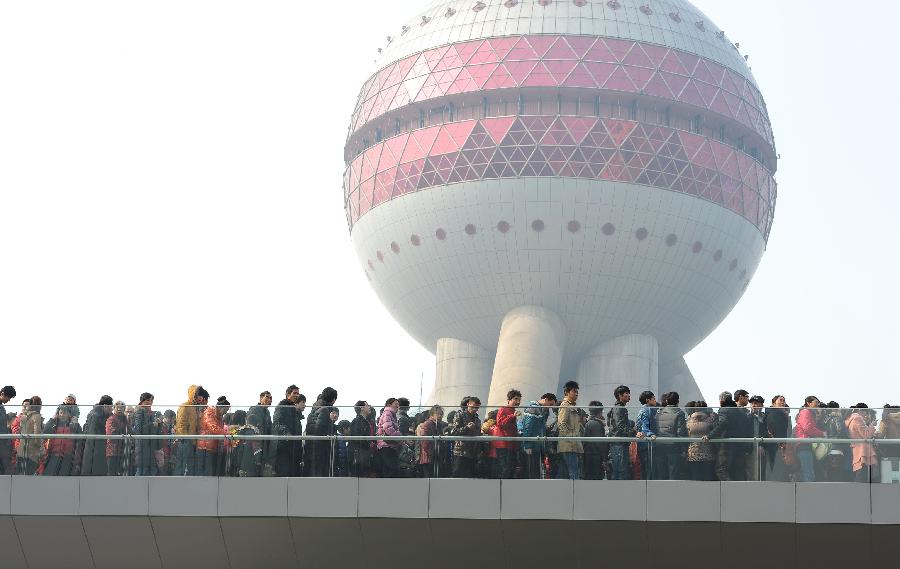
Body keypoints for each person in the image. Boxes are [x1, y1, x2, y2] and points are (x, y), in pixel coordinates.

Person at [521, 393, 557, 479]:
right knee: (532, 471)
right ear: (546, 399)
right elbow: (527, 427)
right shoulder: (533, 408)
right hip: (532, 446)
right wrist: (528, 445)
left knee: (536, 471)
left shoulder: (539, 410)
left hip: (537, 445)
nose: (550, 407)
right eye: (550, 404)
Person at [175, 385, 208, 476]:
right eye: (198, 395)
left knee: (190, 466)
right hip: (185, 441)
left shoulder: (194, 407)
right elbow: (181, 425)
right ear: (193, 395)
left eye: (201, 395)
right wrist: (186, 439)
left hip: (192, 441)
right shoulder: (185, 406)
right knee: (182, 466)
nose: (200, 397)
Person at [305, 387, 338, 477]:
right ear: (333, 399)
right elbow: (319, 430)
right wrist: (331, 422)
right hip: (319, 450)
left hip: (311, 448)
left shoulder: (315, 409)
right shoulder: (325, 410)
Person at [42, 404, 82, 476]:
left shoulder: (74, 425)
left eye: (64, 413)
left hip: (68, 458)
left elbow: (80, 438)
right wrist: (52, 419)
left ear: (69, 415)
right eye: (60, 413)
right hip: (53, 456)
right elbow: (45, 432)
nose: (62, 415)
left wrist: (75, 423)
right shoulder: (54, 424)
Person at [655, 392, 687, 480]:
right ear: (678, 401)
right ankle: (671, 492)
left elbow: (655, 428)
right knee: (673, 473)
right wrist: (684, 448)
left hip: (659, 445)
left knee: (662, 473)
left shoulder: (659, 412)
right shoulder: (679, 413)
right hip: (674, 446)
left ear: (666, 400)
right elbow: (680, 432)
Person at [273, 385, 305, 477]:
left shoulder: (295, 409)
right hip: (284, 446)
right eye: (294, 393)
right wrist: (287, 433)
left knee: (294, 473)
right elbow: (277, 423)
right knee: (284, 473)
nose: (297, 395)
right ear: (288, 394)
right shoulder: (282, 406)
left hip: (295, 447)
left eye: (298, 393)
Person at [556, 381, 583, 480]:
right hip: (569, 444)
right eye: (574, 391)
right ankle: (576, 493)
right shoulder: (565, 405)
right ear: (567, 392)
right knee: (574, 472)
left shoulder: (572, 406)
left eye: (577, 392)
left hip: (570, 444)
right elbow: (561, 423)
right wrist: (570, 437)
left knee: (563, 473)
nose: (576, 394)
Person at [607, 385, 635, 480]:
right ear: (620, 395)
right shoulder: (620, 408)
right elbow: (620, 426)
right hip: (619, 442)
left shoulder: (615, 408)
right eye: (626, 393)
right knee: (621, 470)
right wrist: (633, 432)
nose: (629, 395)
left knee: (617, 469)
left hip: (617, 442)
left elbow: (610, 423)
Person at [450, 396, 482, 478]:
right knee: (458, 475)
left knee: (470, 477)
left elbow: (478, 435)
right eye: (473, 406)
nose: (475, 409)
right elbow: (454, 432)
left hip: (473, 453)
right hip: (461, 451)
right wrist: (467, 427)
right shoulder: (460, 415)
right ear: (468, 404)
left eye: (477, 407)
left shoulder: (477, 419)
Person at [845, 404, 879, 483]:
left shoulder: (850, 419)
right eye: (865, 412)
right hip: (862, 450)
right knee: (863, 474)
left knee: (860, 473)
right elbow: (866, 435)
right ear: (860, 410)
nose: (866, 415)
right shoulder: (858, 418)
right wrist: (872, 425)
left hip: (857, 448)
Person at [81, 396, 113, 476]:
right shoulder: (96, 415)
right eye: (111, 407)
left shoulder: (98, 414)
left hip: (98, 446)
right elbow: (92, 432)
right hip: (95, 446)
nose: (112, 409)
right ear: (105, 406)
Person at [795, 396, 825, 482]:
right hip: (804, 444)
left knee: (807, 471)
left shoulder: (811, 413)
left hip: (807, 444)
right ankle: (805, 493)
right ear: (809, 403)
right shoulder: (806, 411)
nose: (818, 405)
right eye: (816, 402)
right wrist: (822, 433)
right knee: (808, 473)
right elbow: (807, 428)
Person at [197, 396, 229, 476]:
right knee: (208, 472)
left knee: (212, 472)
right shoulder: (210, 412)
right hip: (205, 447)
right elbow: (213, 428)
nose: (226, 412)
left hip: (212, 446)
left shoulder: (218, 415)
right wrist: (227, 433)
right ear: (220, 407)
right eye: (225, 410)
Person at [686, 401, 717, 481]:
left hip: (693, 453)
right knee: (708, 477)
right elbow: (715, 432)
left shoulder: (688, 421)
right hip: (708, 453)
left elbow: (686, 434)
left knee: (695, 477)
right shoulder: (711, 420)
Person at [765, 395, 793, 481]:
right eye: (780, 400)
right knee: (776, 468)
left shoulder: (783, 415)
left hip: (782, 445)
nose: (782, 402)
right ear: (773, 403)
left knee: (781, 468)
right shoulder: (773, 414)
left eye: (784, 400)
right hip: (775, 446)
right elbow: (772, 430)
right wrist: (780, 444)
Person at [247, 391, 275, 476]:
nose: (269, 400)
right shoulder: (255, 409)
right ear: (260, 398)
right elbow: (252, 429)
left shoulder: (267, 413)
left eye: (271, 398)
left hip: (264, 446)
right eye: (267, 397)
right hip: (255, 447)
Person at [415, 405, 445, 477]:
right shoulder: (427, 424)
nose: (440, 416)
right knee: (429, 478)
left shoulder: (438, 425)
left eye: (441, 414)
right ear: (432, 414)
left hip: (435, 456)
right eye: (438, 414)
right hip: (428, 457)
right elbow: (424, 442)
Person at [635, 390, 658, 479]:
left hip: (644, 445)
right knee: (649, 469)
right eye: (653, 398)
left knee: (646, 469)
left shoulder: (646, 410)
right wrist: (651, 434)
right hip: (646, 445)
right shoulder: (646, 410)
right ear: (648, 400)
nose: (655, 400)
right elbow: (644, 427)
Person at [376, 398, 401, 478]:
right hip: (387, 445)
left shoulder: (390, 414)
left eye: (398, 404)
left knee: (388, 469)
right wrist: (400, 436)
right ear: (389, 405)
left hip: (387, 445)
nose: (398, 405)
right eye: (395, 403)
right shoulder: (388, 413)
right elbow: (388, 428)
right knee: (392, 469)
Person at [132, 392, 157, 476]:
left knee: (145, 468)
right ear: (142, 401)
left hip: (146, 443)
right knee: (141, 469)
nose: (150, 402)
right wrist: (153, 424)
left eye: (151, 401)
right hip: (142, 444)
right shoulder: (140, 411)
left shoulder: (147, 411)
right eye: (148, 400)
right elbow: (139, 429)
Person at [18, 397, 43, 475]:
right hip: (32, 452)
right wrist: (39, 446)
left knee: (20, 476)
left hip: (21, 450)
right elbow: (37, 433)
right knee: (29, 476)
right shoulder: (37, 416)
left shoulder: (23, 417)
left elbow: (20, 431)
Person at [583, 401, 608, 480]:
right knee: (596, 479)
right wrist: (604, 459)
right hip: (595, 458)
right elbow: (600, 443)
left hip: (588, 456)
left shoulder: (588, 423)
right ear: (600, 412)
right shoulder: (597, 424)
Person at [350, 401, 375, 477]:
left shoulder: (366, 421)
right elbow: (356, 438)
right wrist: (368, 442)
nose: (369, 407)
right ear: (362, 408)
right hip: (359, 455)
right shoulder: (356, 421)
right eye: (367, 405)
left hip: (365, 454)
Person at [747, 395, 767, 480]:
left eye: (756, 403)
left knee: (762, 474)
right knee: (750, 474)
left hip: (764, 451)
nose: (753, 405)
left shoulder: (766, 417)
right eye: (752, 403)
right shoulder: (747, 417)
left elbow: (768, 434)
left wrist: (763, 446)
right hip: (750, 451)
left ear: (762, 405)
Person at [105, 402, 129, 476]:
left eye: (121, 407)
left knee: (122, 473)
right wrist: (122, 435)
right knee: (112, 473)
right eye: (117, 407)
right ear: (114, 409)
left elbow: (129, 431)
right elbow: (111, 433)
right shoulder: (111, 419)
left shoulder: (125, 419)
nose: (119, 409)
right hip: (112, 451)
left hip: (123, 451)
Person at [0, 386, 16, 475]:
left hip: (2, 442)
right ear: (2, 394)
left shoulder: (2, 407)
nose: (8, 400)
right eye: (8, 397)